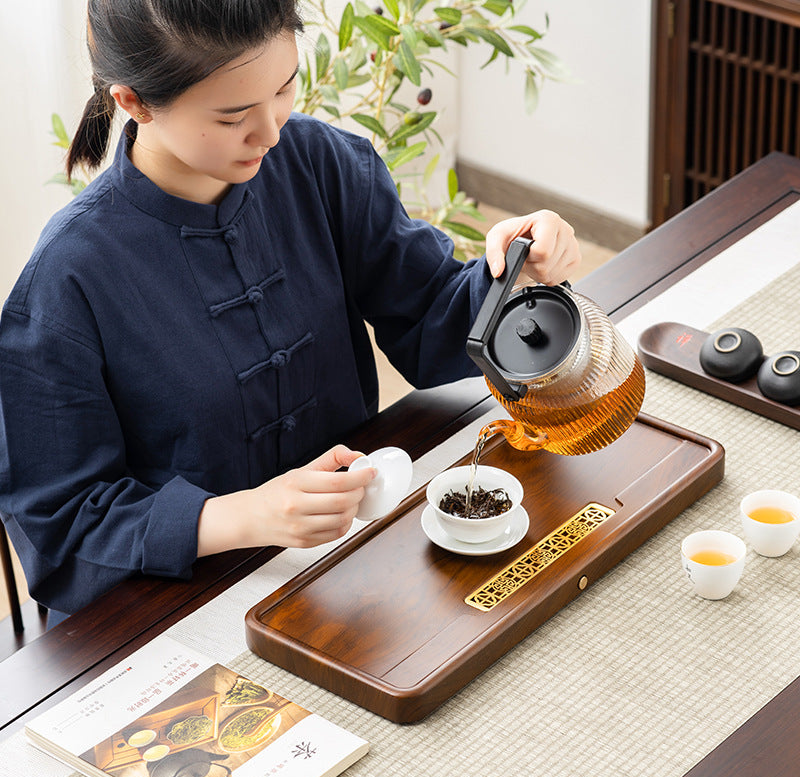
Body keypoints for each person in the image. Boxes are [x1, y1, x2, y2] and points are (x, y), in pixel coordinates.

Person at [0, 0, 581, 617]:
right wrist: (238, 516)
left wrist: (518, 271)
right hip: (186, 603)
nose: (271, 131)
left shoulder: (318, 163)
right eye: (232, 116)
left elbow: (429, 310)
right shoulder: (67, 280)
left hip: (355, 563)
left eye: (285, 88)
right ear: (134, 103)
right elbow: (61, 528)